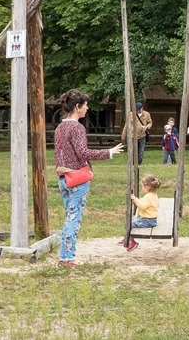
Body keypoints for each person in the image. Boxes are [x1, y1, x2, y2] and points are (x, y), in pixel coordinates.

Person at [54, 89, 124, 266]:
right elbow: (83, 152)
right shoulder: (77, 127)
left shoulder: (60, 127)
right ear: (77, 107)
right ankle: (67, 257)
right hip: (77, 177)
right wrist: (108, 152)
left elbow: (59, 153)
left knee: (69, 215)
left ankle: (65, 254)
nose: (87, 108)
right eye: (85, 105)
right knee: (74, 217)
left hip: (63, 177)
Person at [120, 175, 162, 252]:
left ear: (147, 187)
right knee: (130, 220)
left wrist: (135, 199)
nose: (142, 187)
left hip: (147, 220)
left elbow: (142, 206)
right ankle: (127, 238)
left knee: (130, 223)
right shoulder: (153, 195)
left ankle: (132, 241)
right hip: (149, 219)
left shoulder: (148, 197)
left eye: (143, 186)